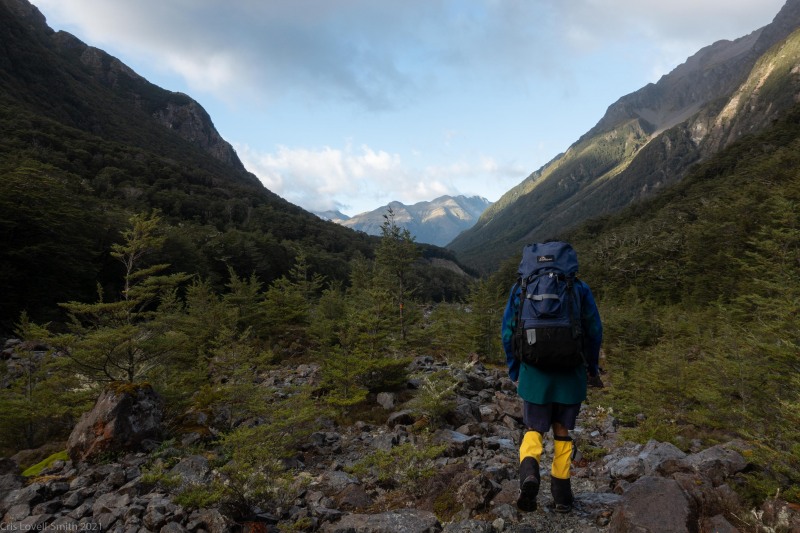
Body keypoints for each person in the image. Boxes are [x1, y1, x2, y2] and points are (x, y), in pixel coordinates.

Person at [501, 242, 603, 513]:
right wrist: (592, 368)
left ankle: (529, 475)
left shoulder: (521, 288)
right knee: (562, 431)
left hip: (534, 374)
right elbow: (594, 330)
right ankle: (562, 495)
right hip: (571, 375)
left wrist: (515, 370)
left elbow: (508, 333)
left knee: (533, 429)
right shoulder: (578, 288)